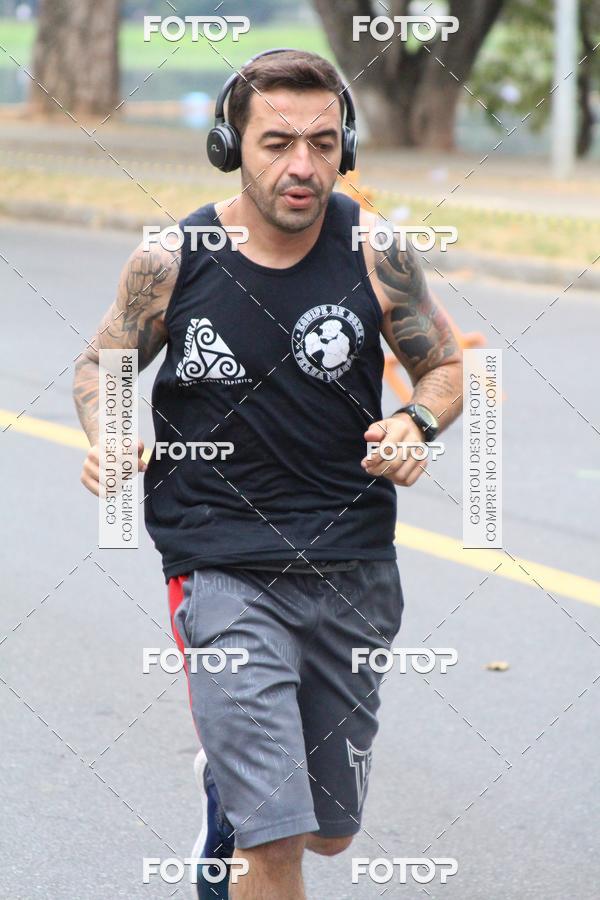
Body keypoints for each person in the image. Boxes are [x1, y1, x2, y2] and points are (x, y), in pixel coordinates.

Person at [73, 48, 463, 900]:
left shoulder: (375, 250)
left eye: (323, 144)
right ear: (228, 144)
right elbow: (100, 369)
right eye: (278, 141)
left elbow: (442, 367)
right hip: (219, 566)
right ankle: (250, 811)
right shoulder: (173, 260)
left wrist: (415, 419)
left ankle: (233, 799)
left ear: (345, 147)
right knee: (278, 842)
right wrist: (109, 434)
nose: (302, 166)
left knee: (327, 833)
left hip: (353, 565)